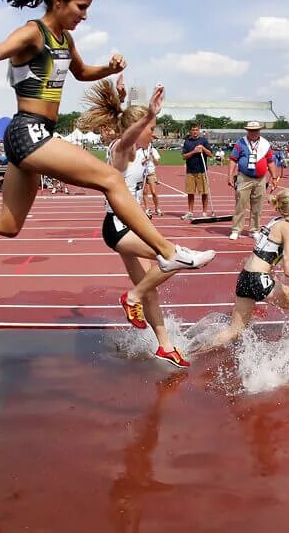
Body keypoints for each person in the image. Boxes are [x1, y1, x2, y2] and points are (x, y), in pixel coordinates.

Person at [0, 0, 213, 272]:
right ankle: (166, 251)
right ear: (58, 0)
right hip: (28, 130)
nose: (85, 15)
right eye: (81, 6)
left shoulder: (65, 39)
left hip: (34, 134)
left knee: (8, 224)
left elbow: (81, 72)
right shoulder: (32, 33)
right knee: (111, 178)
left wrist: (109, 68)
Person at [77, 79, 206, 367]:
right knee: (173, 257)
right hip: (119, 227)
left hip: (135, 225)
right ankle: (132, 297)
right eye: (151, 128)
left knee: (151, 288)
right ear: (138, 128)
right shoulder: (119, 151)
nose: (155, 133)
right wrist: (147, 114)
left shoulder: (142, 152)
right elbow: (125, 140)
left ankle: (165, 346)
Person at [195, 189, 289, 351]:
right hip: (259, 279)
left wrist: (274, 281)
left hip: (245, 277)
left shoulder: (274, 221)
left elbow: (266, 255)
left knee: (234, 330)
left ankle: (189, 354)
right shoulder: (287, 228)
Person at [227, 122, 280, 240]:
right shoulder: (240, 143)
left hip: (261, 179)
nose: (253, 132)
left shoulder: (265, 144)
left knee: (258, 206)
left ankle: (254, 230)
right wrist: (230, 176)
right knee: (240, 205)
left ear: (259, 131)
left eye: (255, 130)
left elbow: (270, 161)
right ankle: (236, 229)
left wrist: (274, 177)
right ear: (247, 131)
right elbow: (233, 159)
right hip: (244, 177)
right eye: (251, 130)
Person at [180, 124, 213, 221]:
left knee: (204, 192)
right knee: (190, 192)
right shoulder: (187, 142)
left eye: (196, 130)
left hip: (202, 171)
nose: (195, 131)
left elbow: (210, 154)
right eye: (193, 130)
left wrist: (203, 149)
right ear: (190, 131)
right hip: (190, 171)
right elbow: (184, 156)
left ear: (199, 131)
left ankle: (204, 212)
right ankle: (190, 212)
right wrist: (194, 151)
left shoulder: (204, 141)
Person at [142, 140, 162, 218]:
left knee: (154, 192)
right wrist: (145, 160)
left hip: (151, 173)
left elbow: (157, 163)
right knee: (145, 192)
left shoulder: (154, 151)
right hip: (142, 173)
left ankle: (157, 208)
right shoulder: (140, 151)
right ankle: (147, 208)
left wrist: (152, 156)